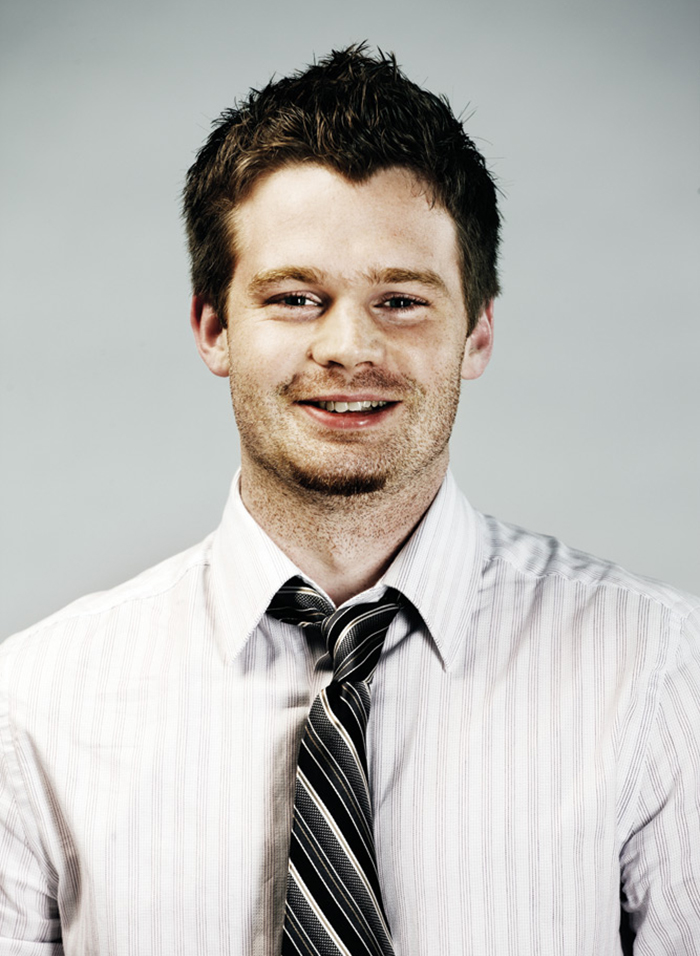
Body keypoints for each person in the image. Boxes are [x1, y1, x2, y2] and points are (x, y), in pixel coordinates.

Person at [1, 45, 698, 956]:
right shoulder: (35, 704)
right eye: (295, 297)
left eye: (402, 300)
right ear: (213, 328)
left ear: (478, 331)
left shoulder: (658, 676)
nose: (347, 347)